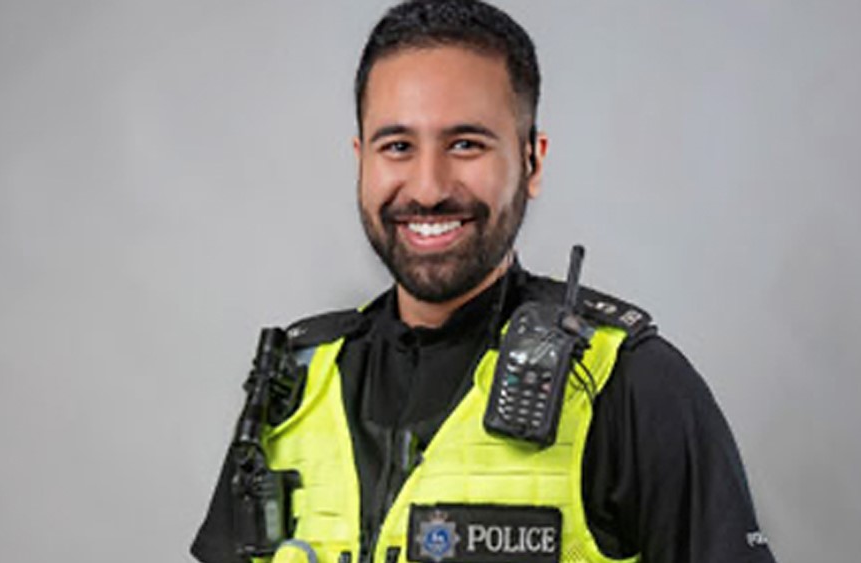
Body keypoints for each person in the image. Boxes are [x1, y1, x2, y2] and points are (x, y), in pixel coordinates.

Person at [192, 1, 777, 562]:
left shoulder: (627, 386)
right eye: (397, 146)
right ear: (361, 160)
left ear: (532, 161)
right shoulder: (292, 387)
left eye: (465, 144)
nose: (427, 187)